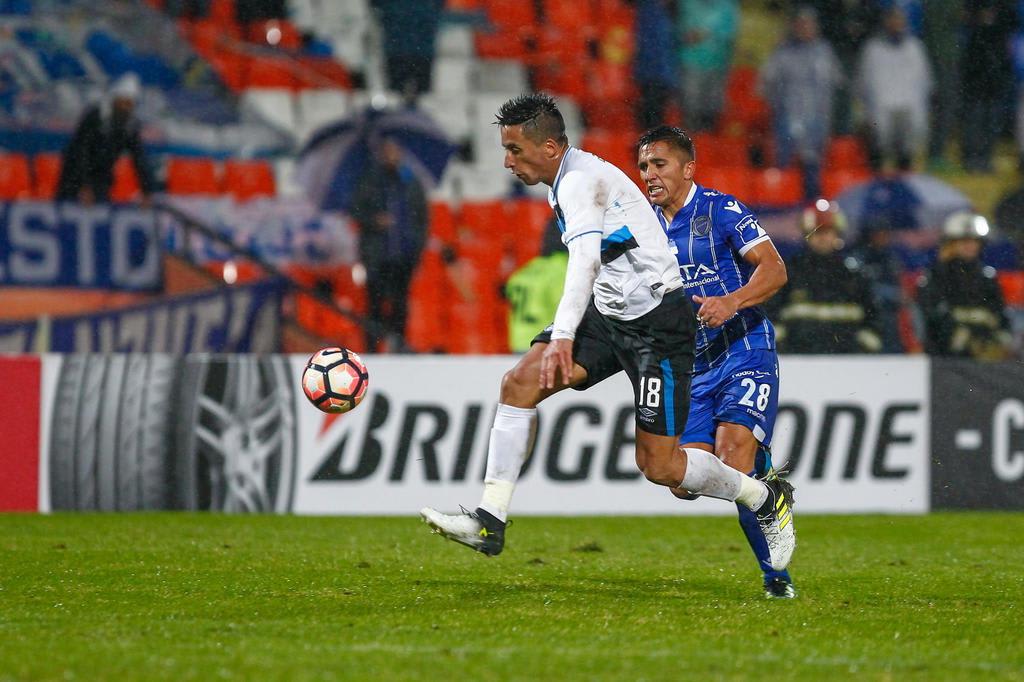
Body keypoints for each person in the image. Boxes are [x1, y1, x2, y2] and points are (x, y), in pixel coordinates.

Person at [421, 94, 795, 574]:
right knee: (518, 385)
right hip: (610, 312)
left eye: (515, 150)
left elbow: (585, 259)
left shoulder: (579, 183)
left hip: (658, 325)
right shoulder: (567, 182)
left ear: (552, 148)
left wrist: (562, 337)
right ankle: (490, 519)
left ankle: (763, 497)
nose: (507, 161)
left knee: (662, 468)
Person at [636, 126, 796, 599]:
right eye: (643, 166)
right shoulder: (640, 225)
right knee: (684, 483)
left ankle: (775, 578)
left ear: (688, 169)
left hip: (743, 346)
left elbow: (774, 268)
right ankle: (768, 475)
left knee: (734, 456)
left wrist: (733, 300)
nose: (649, 175)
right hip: (690, 365)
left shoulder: (720, 208)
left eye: (659, 164)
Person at [771, 200, 883, 354]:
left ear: (838, 234)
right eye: (817, 232)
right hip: (797, 361)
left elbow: (873, 318)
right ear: (807, 235)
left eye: (829, 232)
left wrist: (863, 350)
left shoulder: (854, 275)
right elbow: (771, 314)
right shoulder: (788, 273)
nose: (823, 238)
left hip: (847, 363)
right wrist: (782, 348)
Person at [349, 137, 428, 353]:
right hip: (377, 256)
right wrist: (375, 220)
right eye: (388, 150)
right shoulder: (371, 181)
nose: (392, 154)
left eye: (396, 150)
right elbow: (356, 211)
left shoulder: (410, 183)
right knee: (375, 304)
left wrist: (416, 248)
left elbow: (422, 219)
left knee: (400, 306)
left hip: (403, 255)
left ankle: (397, 347)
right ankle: (373, 350)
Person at [758, 7, 843, 201]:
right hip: (786, 121)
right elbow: (764, 85)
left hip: (816, 122)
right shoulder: (782, 53)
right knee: (784, 172)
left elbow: (835, 84)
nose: (805, 29)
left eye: (809, 24)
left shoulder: (824, 52)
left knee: (812, 172)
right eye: (801, 24)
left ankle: (811, 212)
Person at [917, 212, 1013, 359]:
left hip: (983, 354)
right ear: (951, 244)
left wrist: (998, 337)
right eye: (964, 241)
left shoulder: (986, 277)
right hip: (944, 356)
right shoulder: (936, 275)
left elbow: (999, 314)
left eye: (974, 241)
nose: (971, 246)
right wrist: (965, 330)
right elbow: (933, 315)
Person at [56, 72, 155, 206]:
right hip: (74, 178)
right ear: (114, 100)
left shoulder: (130, 125)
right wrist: (84, 186)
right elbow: (79, 152)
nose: (126, 108)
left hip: (101, 179)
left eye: (130, 104)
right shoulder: (94, 116)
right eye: (123, 103)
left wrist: (147, 191)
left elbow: (139, 158)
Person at [855, 7, 932, 171]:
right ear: (885, 22)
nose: (896, 24)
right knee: (877, 153)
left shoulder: (915, 48)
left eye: (900, 20)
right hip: (881, 109)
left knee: (905, 155)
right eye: (892, 19)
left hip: (907, 108)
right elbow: (864, 83)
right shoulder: (873, 49)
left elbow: (924, 82)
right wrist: (866, 113)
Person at [505, 221, 568, 353]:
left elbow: (509, 290)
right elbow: (565, 306)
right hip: (544, 343)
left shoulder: (525, 270)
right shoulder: (562, 269)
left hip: (518, 342)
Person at [676, 0, 738, 133]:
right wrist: (686, 35)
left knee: (712, 106)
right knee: (691, 104)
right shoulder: (687, 3)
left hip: (717, 63)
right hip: (691, 61)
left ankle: (708, 141)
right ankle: (691, 138)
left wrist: (704, 34)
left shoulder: (727, 5)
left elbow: (729, 33)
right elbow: (679, 28)